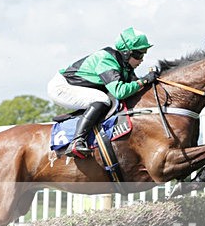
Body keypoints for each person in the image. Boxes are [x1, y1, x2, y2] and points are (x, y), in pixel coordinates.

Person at [47, 27, 159, 159]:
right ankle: (77, 141)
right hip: (62, 87)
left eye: (144, 54)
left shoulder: (125, 66)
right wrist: (144, 80)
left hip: (78, 86)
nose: (142, 59)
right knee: (102, 99)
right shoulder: (107, 60)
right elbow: (120, 92)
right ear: (126, 53)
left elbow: (135, 87)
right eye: (139, 54)